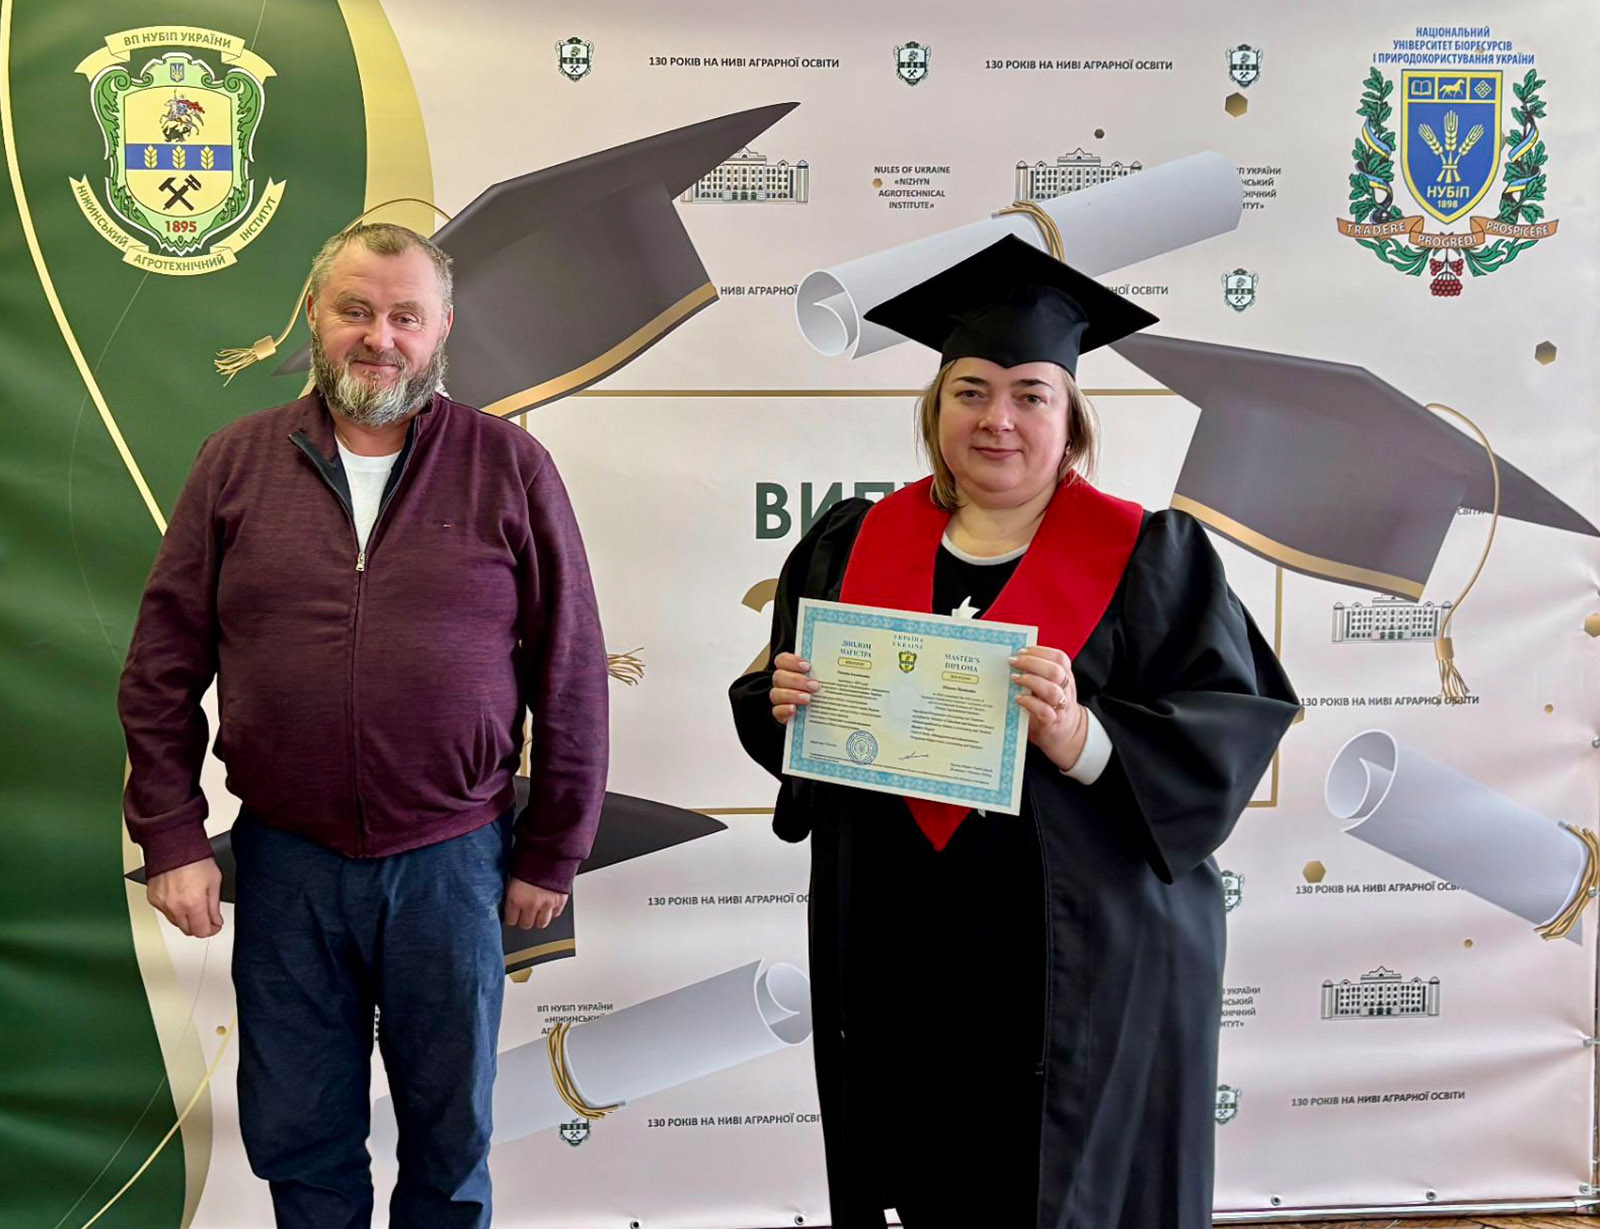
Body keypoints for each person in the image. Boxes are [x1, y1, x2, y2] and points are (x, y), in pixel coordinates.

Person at [729, 236, 1299, 1229]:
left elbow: (1226, 727)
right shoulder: (851, 543)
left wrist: (1082, 734)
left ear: (1070, 418)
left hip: (1081, 961)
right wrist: (782, 702)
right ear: (935, 408)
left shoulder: (1150, 556)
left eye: (1030, 394)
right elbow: (780, 708)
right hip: (907, 952)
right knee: (932, 1184)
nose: (997, 418)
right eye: (971, 391)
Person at [118, 223, 609, 1228]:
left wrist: (552, 850)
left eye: (404, 316)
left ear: (442, 328)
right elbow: (162, 664)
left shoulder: (509, 465)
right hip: (287, 862)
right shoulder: (234, 462)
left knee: (449, 1141)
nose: (379, 337)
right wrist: (171, 833)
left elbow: (568, 670)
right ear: (313, 314)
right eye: (355, 310)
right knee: (300, 1135)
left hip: (453, 864)